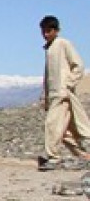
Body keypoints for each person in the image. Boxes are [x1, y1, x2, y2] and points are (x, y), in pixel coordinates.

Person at [38, 15, 90, 171]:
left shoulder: (63, 44)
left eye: (49, 31)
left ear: (56, 30)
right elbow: (49, 76)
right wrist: (45, 97)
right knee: (65, 130)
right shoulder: (49, 48)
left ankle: (53, 158)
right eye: (43, 31)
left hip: (62, 95)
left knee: (52, 125)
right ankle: (83, 155)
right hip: (54, 95)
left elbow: (78, 65)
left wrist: (68, 84)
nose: (46, 34)